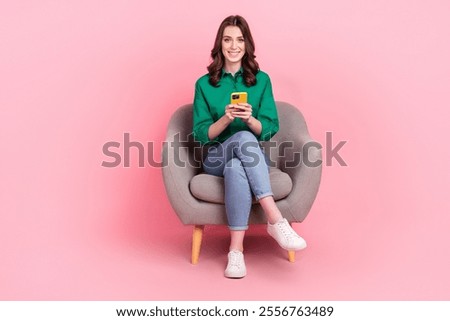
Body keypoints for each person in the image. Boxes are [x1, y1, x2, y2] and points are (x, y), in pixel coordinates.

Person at [193, 15, 306, 279]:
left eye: (240, 40)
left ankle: (236, 252)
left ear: (247, 44)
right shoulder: (204, 84)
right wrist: (226, 118)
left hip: (251, 159)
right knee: (241, 142)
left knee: (237, 164)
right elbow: (200, 135)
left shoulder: (262, 80)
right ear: (220, 44)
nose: (234, 46)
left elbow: (270, 128)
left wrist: (249, 118)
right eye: (228, 39)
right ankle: (276, 220)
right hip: (215, 158)